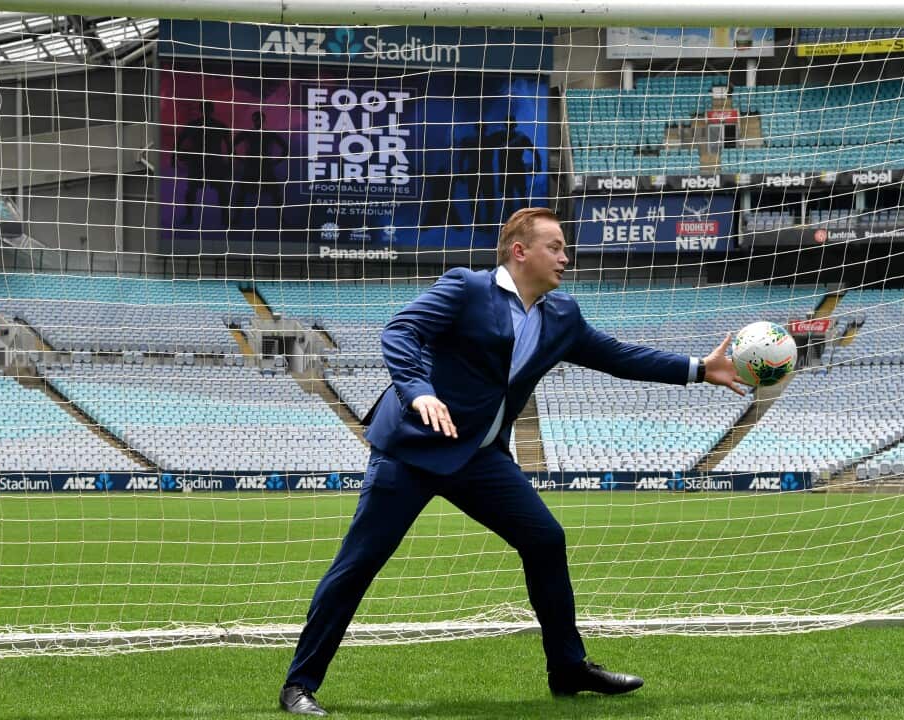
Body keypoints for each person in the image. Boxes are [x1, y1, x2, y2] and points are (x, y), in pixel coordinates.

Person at [280, 207, 746, 716]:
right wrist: (418, 391)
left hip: (479, 457)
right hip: (412, 449)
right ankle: (298, 686)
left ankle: (568, 668)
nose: (565, 258)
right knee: (359, 564)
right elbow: (400, 331)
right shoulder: (466, 288)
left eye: (565, 248)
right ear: (519, 252)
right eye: (555, 247)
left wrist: (699, 369)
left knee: (545, 539)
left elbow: (618, 355)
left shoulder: (562, 316)